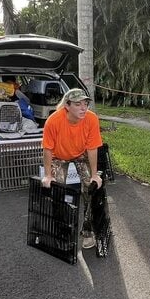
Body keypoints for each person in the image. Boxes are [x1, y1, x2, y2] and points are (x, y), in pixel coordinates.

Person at [41, 87, 104, 249]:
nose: (83, 108)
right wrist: (48, 175)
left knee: (91, 188)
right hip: (58, 156)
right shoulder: (53, 121)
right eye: (78, 104)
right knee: (58, 190)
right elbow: (47, 149)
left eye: (86, 104)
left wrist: (95, 175)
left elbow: (92, 148)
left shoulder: (91, 119)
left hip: (81, 153)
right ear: (67, 106)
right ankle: (62, 233)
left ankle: (88, 232)